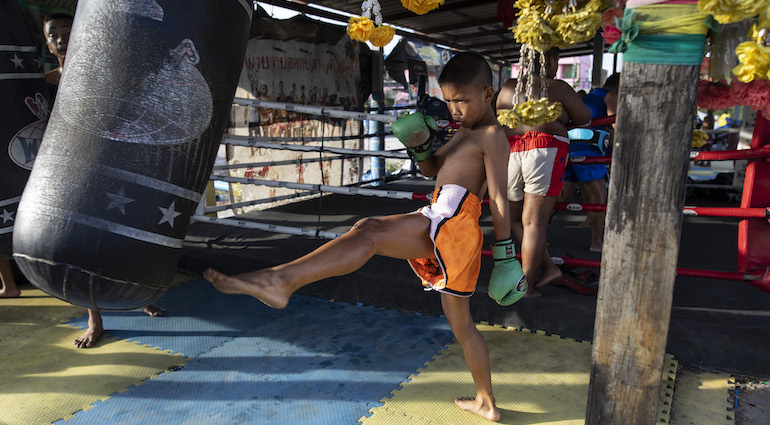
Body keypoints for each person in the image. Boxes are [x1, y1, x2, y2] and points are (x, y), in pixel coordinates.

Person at [204, 52, 527, 422]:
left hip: (454, 223)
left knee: (369, 231)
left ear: (488, 93)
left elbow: (500, 199)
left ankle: (281, 280)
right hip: (441, 215)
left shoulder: (492, 135)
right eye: (449, 100)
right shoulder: (464, 132)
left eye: (462, 101)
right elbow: (432, 169)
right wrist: (419, 144)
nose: (454, 109)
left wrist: (505, 255)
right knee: (462, 326)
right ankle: (486, 401)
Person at [42, 13, 163, 348]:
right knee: (80, 245)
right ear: (48, 43)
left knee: (130, 234)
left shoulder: (104, 72)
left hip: (113, 166)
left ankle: (137, 296)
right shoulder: (46, 83)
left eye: (69, 31)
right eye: (55, 34)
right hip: (70, 174)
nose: (63, 38)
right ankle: (94, 319)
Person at [495, 48, 591, 297]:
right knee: (534, 222)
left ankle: (548, 268)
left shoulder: (508, 86)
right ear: (547, 60)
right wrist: (562, 115)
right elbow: (585, 117)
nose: (556, 64)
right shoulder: (556, 87)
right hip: (544, 149)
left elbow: (499, 119)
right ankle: (526, 286)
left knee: (515, 220)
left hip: (511, 150)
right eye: (555, 59)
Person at [560, 73, 619, 253]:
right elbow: (616, 124)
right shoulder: (612, 96)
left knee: (562, 197)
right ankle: (596, 243)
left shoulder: (590, 96)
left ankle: (536, 233)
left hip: (569, 146)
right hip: (588, 147)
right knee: (598, 196)